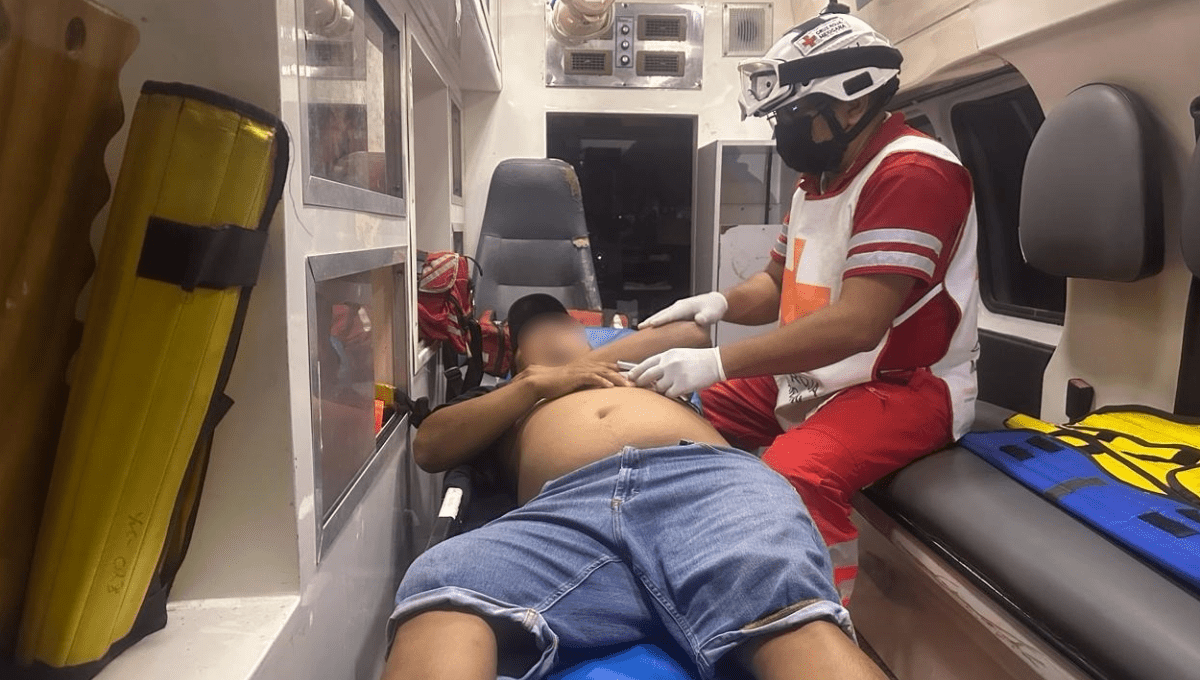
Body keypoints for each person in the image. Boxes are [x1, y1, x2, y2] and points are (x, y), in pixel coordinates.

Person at [631, 7, 980, 604]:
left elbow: (859, 324)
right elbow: (775, 284)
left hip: (903, 384)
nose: (783, 131)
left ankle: (815, 614)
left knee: (793, 475)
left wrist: (718, 361)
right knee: (668, 409)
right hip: (818, 372)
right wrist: (717, 303)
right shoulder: (816, 181)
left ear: (853, 104)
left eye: (796, 114)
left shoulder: (913, 174)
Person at [382, 294, 888, 680]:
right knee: (442, 581)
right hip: (565, 514)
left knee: (782, 605)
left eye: (569, 327)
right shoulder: (505, 400)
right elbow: (431, 446)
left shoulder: (634, 367)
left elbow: (692, 332)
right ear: (516, 355)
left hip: (702, 485)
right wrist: (533, 385)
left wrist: (584, 365)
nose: (562, 335)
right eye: (541, 332)